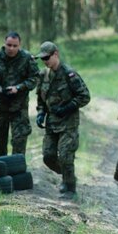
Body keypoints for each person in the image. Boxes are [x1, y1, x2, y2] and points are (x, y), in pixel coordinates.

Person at [35, 41, 91, 199]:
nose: (45, 61)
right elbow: (40, 98)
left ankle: (70, 187)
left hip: (68, 123)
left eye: (47, 58)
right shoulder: (43, 75)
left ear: (56, 54)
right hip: (51, 124)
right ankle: (67, 175)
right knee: (48, 156)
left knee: (66, 156)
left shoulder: (69, 74)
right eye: (42, 59)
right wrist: (40, 113)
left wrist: (67, 108)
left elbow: (85, 96)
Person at [0, 31, 39, 157]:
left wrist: (19, 88)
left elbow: (35, 78)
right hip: (0, 107)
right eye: (9, 45)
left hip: (19, 107)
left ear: (19, 45)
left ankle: (17, 173)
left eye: (15, 46)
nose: (11, 48)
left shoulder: (27, 58)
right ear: (5, 43)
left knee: (19, 141)